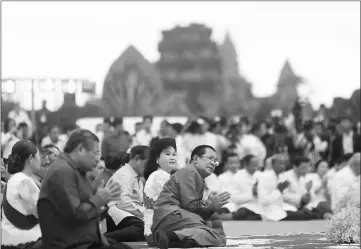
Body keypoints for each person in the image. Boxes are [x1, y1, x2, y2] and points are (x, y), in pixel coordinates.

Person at [37, 129, 130, 249]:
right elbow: (75, 215)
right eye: (96, 153)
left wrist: (103, 200)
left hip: (84, 240)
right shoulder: (62, 171)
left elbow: (88, 211)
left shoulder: (78, 171)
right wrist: (99, 198)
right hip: (69, 244)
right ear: (80, 149)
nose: (98, 160)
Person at [152, 145, 230, 249]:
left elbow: (193, 207)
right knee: (214, 237)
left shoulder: (196, 176)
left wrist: (210, 206)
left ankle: (174, 239)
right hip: (172, 215)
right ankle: (171, 236)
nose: (213, 163)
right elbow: (190, 206)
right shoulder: (189, 171)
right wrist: (210, 205)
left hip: (173, 217)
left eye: (215, 161)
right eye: (210, 158)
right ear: (196, 159)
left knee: (214, 236)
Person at [1, 140, 42, 249]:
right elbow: (43, 213)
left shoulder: (16, 178)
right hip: (24, 243)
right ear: (30, 159)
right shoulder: (24, 182)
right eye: (38, 156)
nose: (40, 160)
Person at [105, 146, 149, 242]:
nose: (146, 168)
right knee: (145, 229)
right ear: (137, 159)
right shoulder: (124, 174)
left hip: (131, 215)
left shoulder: (136, 178)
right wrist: (144, 213)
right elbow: (124, 202)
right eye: (146, 164)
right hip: (117, 214)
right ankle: (105, 239)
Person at [143, 138, 178, 246]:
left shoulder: (159, 174)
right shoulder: (160, 175)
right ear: (157, 159)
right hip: (158, 231)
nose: (172, 157)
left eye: (174, 154)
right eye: (167, 154)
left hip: (152, 231)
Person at [228, 154, 262, 220]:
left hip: (259, 207)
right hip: (243, 207)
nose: (255, 167)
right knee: (242, 213)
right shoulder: (237, 176)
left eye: (256, 164)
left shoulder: (261, 176)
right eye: (253, 164)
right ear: (246, 164)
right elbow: (235, 198)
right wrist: (252, 194)